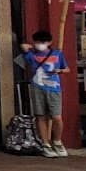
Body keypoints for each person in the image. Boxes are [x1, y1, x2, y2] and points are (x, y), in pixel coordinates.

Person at [21, 30, 69, 158]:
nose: (40, 45)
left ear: (50, 42)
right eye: (37, 42)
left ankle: (57, 141)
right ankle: (46, 144)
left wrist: (59, 70)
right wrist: (32, 46)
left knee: (56, 117)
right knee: (41, 116)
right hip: (37, 86)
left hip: (54, 87)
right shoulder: (31, 54)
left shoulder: (57, 54)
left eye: (43, 42)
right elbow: (24, 46)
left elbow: (67, 68)